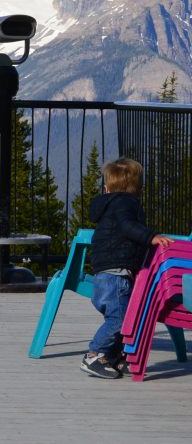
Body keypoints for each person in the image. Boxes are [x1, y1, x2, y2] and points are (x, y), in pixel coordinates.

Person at [81, 157, 174, 379]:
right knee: (120, 319)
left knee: (123, 317)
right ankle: (93, 354)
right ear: (138, 188)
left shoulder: (110, 205)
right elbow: (128, 227)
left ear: (107, 187)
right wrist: (151, 237)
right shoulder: (125, 203)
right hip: (115, 275)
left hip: (109, 273)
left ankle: (112, 357)